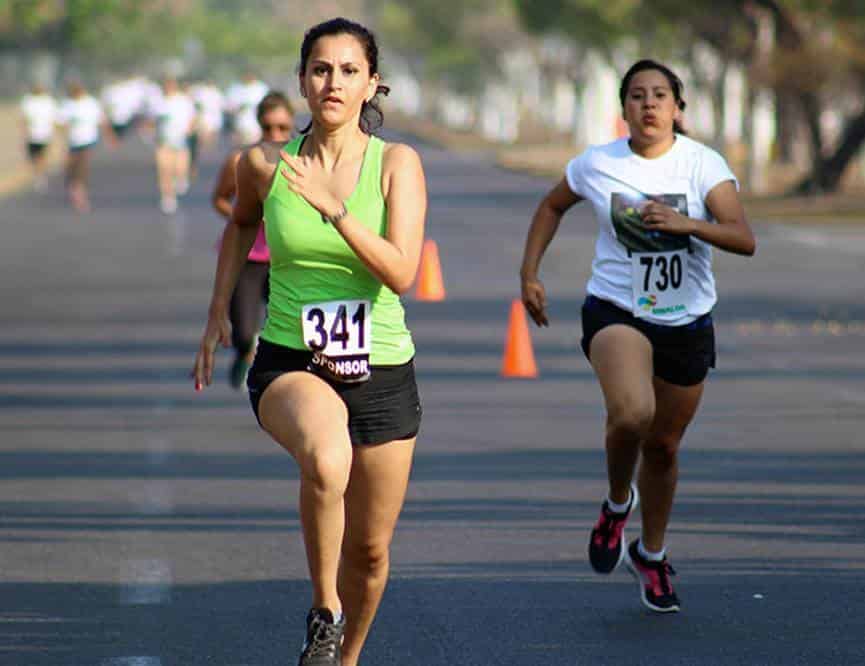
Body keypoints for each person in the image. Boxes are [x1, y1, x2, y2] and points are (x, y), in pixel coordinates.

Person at [193, 17, 426, 666]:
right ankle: (324, 609)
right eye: (320, 69)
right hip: (294, 361)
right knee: (326, 460)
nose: (333, 81)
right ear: (301, 81)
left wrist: (337, 209)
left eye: (349, 70)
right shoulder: (264, 165)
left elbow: (403, 272)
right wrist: (217, 313)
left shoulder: (396, 165)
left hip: (381, 367)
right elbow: (240, 224)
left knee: (372, 552)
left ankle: (342, 657)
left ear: (371, 84)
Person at [519, 59, 756, 614]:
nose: (648, 105)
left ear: (678, 108)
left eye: (660, 95)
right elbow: (553, 204)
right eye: (636, 96)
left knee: (665, 447)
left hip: (687, 319)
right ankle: (616, 502)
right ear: (623, 108)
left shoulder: (702, 166)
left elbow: (744, 238)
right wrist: (530, 272)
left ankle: (650, 554)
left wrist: (687, 225)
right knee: (631, 413)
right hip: (616, 308)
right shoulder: (598, 164)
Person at [211, 91, 295, 389]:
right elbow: (220, 199)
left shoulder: (302, 161)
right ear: (259, 126)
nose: (276, 134)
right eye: (269, 127)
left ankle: (276, 380)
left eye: (283, 128)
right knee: (244, 331)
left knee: (290, 331)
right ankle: (244, 351)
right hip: (247, 257)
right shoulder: (241, 160)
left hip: (286, 259)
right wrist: (244, 215)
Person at [57, 81, 115, 213]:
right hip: (72, 142)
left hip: (87, 141)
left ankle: (80, 197)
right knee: (70, 169)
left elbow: (102, 121)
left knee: (82, 169)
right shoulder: (68, 105)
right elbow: (60, 122)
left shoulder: (91, 104)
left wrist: (110, 137)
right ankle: (74, 190)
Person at [151, 78, 196, 214]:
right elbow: (151, 120)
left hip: (180, 139)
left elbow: (193, 117)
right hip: (162, 140)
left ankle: (181, 178)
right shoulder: (158, 102)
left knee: (179, 167)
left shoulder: (183, 101)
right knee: (164, 169)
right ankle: (168, 197)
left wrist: (190, 128)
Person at [19, 83, 58, 190]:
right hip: (32, 135)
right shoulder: (28, 100)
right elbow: (23, 118)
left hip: (45, 134)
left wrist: (54, 132)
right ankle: (37, 173)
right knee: (32, 157)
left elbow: (54, 118)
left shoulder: (49, 101)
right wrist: (23, 133)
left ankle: (40, 176)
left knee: (42, 157)